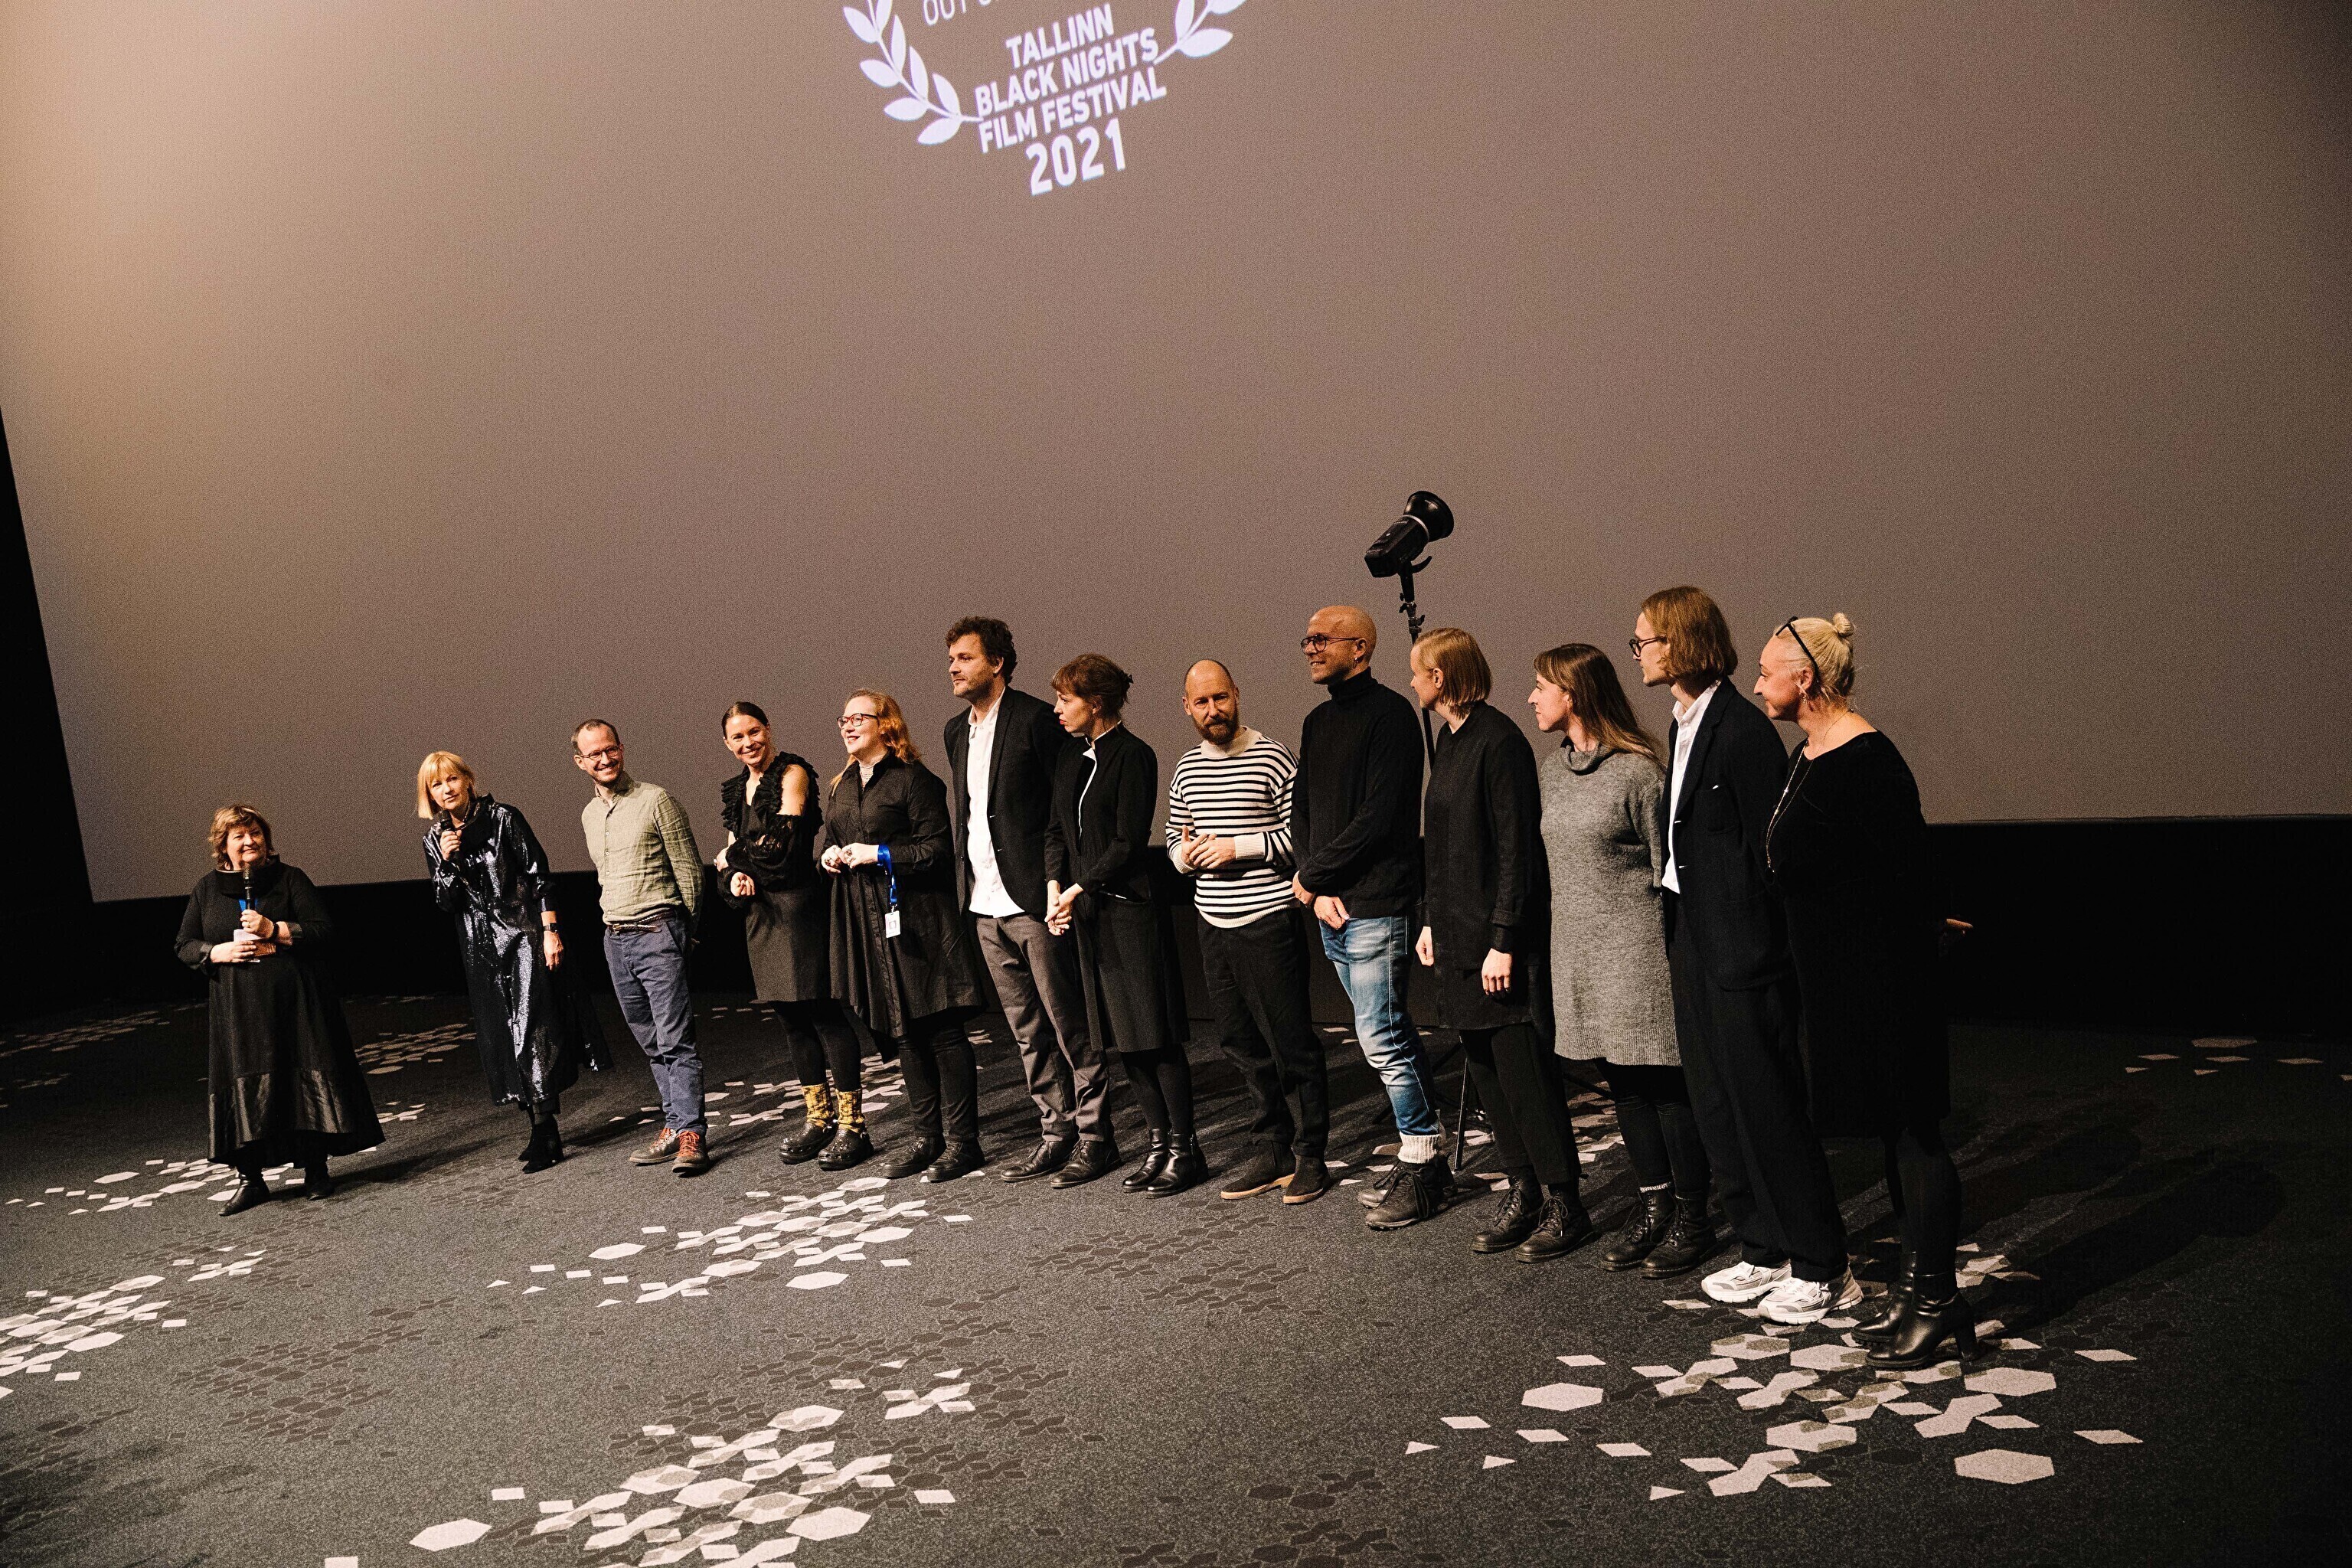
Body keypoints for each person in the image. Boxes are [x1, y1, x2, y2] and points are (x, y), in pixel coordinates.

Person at [1634, 588, 1852, 1323]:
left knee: (1769, 1107)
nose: (1638, 654)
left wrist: (1762, 950)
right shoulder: (1684, 722)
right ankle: (1763, 1247)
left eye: (1645, 641)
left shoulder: (1742, 730)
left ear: (1680, 642)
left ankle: (1820, 1262)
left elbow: (1772, 852)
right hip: (1694, 939)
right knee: (1718, 1103)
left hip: (1743, 950)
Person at [1756, 614, 1964, 1367]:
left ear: (1804, 677)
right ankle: (1915, 1292)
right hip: (1841, 979)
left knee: (1915, 1130)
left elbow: (1910, 876)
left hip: (1886, 977)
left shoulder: (1868, 759)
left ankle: (1937, 1300)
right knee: (1891, 1132)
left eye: (1767, 671)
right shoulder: (1810, 752)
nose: (1758, 684)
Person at [1528, 645, 1715, 1276]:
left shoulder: (1639, 772)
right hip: (1578, 951)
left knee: (1662, 1083)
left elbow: (1670, 871)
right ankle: (1655, 1207)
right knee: (1624, 1087)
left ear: (1574, 693)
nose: (1532, 698)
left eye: (1541, 686)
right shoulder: (1552, 771)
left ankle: (1693, 1216)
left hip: (1636, 954)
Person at [1411, 629, 1595, 1260]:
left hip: (1496, 945)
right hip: (1458, 938)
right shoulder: (1449, 739)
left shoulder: (1501, 741)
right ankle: (1524, 1191)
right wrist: (1432, 921)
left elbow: (1517, 850)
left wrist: (1504, 940)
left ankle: (1566, 1202)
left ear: (1440, 677)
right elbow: (1445, 846)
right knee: (1486, 1074)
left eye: (1418, 673)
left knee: (1525, 1077)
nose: (1413, 683)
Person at [941, 617, 1115, 1187]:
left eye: (965, 657)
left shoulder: (1038, 719)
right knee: (1025, 1030)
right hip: (983, 903)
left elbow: (1061, 811)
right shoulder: (955, 731)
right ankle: (1055, 1132)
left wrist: (1056, 883)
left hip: (1035, 900)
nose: (954, 668)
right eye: (952, 658)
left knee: (1068, 1023)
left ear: (997, 663)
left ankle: (1096, 1137)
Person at [1290, 605, 1449, 1229]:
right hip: (1331, 906)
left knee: (1382, 1036)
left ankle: (1425, 1165)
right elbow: (1302, 810)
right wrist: (1314, 885)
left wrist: (1316, 877)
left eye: (1322, 639)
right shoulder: (1316, 720)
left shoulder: (1392, 715)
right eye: (1307, 639)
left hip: (1378, 903)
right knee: (1382, 1034)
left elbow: (1380, 818)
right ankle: (1423, 1155)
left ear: (1360, 648)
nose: (1310, 648)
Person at [1167, 659, 1331, 1205]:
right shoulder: (1187, 769)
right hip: (1212, 922)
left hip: (1268, 919)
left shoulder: (1272, 756)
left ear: (1237, 694)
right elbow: (1173, 836)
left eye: (1221, 698)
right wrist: (1184, 856)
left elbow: (1301, 837)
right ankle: (1272, 1146)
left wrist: (1239, 847)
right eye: (1202, 702)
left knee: (1291, 1042)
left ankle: (1311, 1153)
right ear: (1187, 708)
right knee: (1240, 1043)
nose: (1213, 710)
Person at [174, 805, 382, 1212]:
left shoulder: (290, 879)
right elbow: (184, 944)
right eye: (238, 836)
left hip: (294, 1004)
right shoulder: (207, 889)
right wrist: (215, 952)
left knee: (299, 1077)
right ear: (223, 845)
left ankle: (315, 1169)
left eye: (255, 833)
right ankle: (251, 1180)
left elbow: (324, 930)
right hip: (238, 1011)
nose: (248, 841)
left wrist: (276, 930)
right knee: (245, 1084)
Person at [819, 690, 991, 1183]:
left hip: (920, 922)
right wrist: (829, 855)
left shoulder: (916, 781)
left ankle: (964, 1143)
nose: (849, 726)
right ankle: (927, 1138)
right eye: (844, 719)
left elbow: (937, 851)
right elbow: (835, 837)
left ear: (886, 724)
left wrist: (879, 854)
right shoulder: (842, 784)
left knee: (941, 1030)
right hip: (870, 924)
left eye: (859, 718)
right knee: (905, 1031)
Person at [1046, 655, 1202, 1196]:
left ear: (1096, 704)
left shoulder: (1134, 755)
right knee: (1124, 1040)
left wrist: (1077, 889)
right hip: (1091, 916)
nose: (1058, 708)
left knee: (1155, 1036)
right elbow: (1055, 831)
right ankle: (1157, 1145)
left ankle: (1185, 1149)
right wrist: (1054, 889)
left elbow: (1126, 842)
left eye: (1065, 699)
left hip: (1130, 913)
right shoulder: (1070, 756)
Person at [419, 751, 609, 1174]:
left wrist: (551, 931)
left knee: (532, 1027)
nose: (446, 789)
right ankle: (537, 1125)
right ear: (429, 794)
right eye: (436, 784)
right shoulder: (435, 839)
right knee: (505, 1034)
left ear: (468, 780)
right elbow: (446, 901)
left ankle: (546, 1130)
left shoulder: (502, 817)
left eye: (452, 779)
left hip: (523, 935)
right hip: (480, 949)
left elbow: (539, 875)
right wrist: (447, 864)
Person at [716, 703, 868, 1170]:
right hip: (762, 916)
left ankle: (853, 1125)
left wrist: (732, 860)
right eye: (738, 737)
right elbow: (733, 861)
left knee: (822, 1015)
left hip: (799, 911)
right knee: (790, 1020)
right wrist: (735, 875)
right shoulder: (736, 789)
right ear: (727, 744)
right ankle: (818, 1118)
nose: (748, 743)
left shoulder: (793, 773)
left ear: (768, 728)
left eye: (754, 731)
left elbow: (780, 852)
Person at [575, 719, 712, 1176]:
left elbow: (689, 872)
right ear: (580, 762)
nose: (605, 759)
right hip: (615, 939)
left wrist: (686, 934)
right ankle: (674, 1124)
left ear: (621, 748)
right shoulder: (589, 815)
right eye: (594, 754)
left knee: (676, 1040)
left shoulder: (656, 800)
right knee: (651, 1041)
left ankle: (691, 1134)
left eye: (610, 749)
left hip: (658, 930)